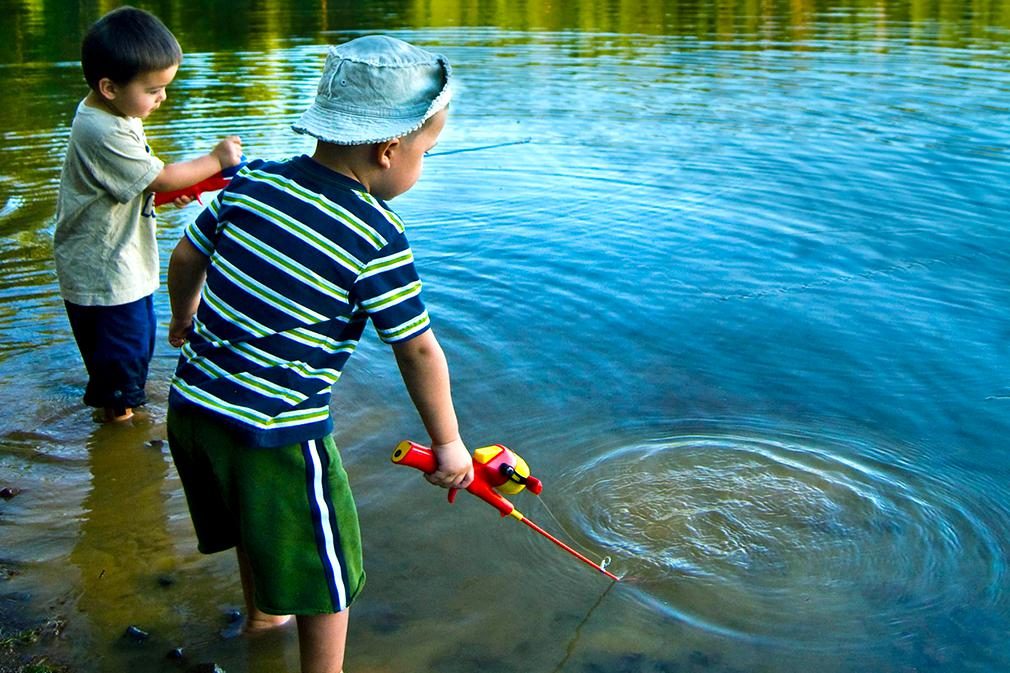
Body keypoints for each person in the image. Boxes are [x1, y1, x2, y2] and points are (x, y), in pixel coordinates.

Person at [164, 35, 474, 673]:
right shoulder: (376, 235)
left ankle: (260, 622)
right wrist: (448, 444)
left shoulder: (251, 182)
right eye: (427, 153)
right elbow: (417, 350)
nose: (422, 165)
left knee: (257, 527)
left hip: (192, 409)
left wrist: (184, 317)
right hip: (276, 432)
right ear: (389, 150)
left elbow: (186, 255)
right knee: (329, 574)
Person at [53, 6, 243, 422]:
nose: (162, 98)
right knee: (122, 363)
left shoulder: (116, 112)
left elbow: (130, 185)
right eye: (154, 89)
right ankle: (121, 436)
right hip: (104, 272)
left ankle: (120, 411)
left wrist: (156, 196)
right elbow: (160, 176)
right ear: (109, 87)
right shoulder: (102, 129)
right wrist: (216, 159)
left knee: (131, 349)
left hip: (116, 263)